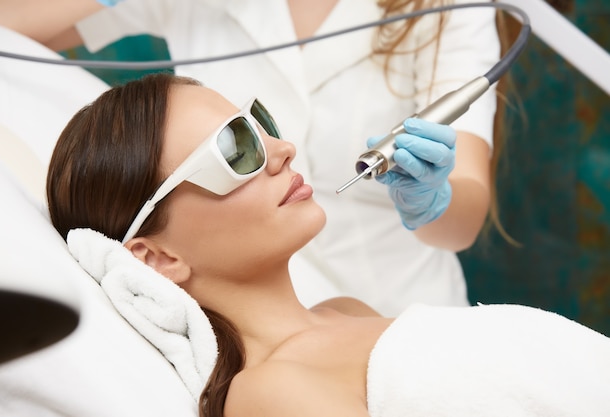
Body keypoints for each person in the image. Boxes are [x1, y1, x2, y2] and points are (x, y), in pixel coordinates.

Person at [46, 73, 610, 417]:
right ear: (158, 257)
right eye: (236, 149)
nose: (283, 148)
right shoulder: (269, 395)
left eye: (260, 123)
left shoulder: (346, 312)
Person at [0, 0, 502, 315]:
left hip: (401, 299)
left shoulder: (448, 8)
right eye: (241, 140)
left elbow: (462, 221)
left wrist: (434, 199)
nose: (285, 151)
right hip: (242, 312)